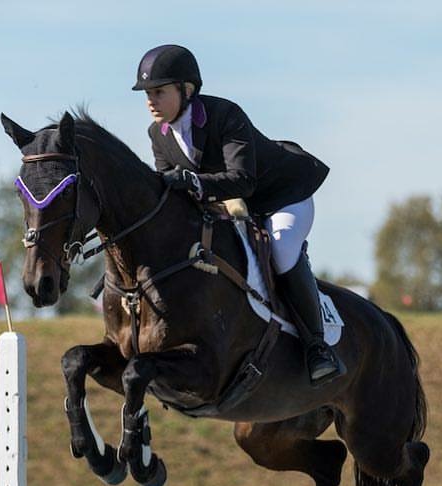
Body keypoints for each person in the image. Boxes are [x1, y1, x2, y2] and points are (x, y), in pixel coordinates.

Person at [132, 44, 345, 384]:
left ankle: (317, 348)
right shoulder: (157, 135)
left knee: (281, 249)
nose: (150, 101)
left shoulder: (224, 115)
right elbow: (175, 193)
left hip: (281, 196)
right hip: (232, 208)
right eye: (146, 94)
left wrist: (189, 181)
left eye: (158, 92)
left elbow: (243, 181)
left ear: (186, 89)